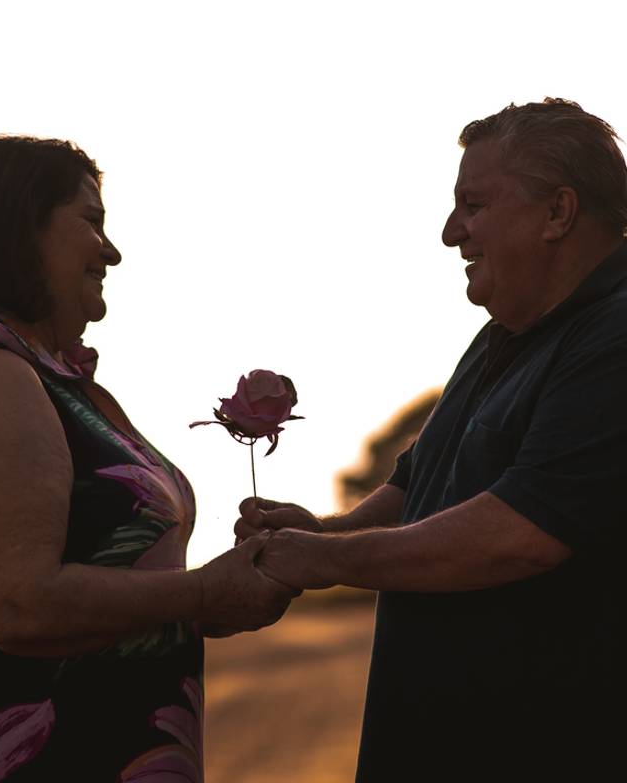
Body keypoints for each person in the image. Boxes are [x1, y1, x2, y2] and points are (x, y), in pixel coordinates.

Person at [235, 98, 627, 778]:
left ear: (558, 214)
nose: (452, 232)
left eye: (473, 204)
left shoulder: (614, 337)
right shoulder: (502, 332)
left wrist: (324, 563)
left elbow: (521, 533)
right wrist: (328, 533)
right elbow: (418, 488)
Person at [0, 136, 296, 782]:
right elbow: (19, 604)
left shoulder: (55, 378)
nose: (113, 251)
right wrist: (205, 590)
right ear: (17, 224)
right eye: (92, 221)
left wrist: (204, 600)